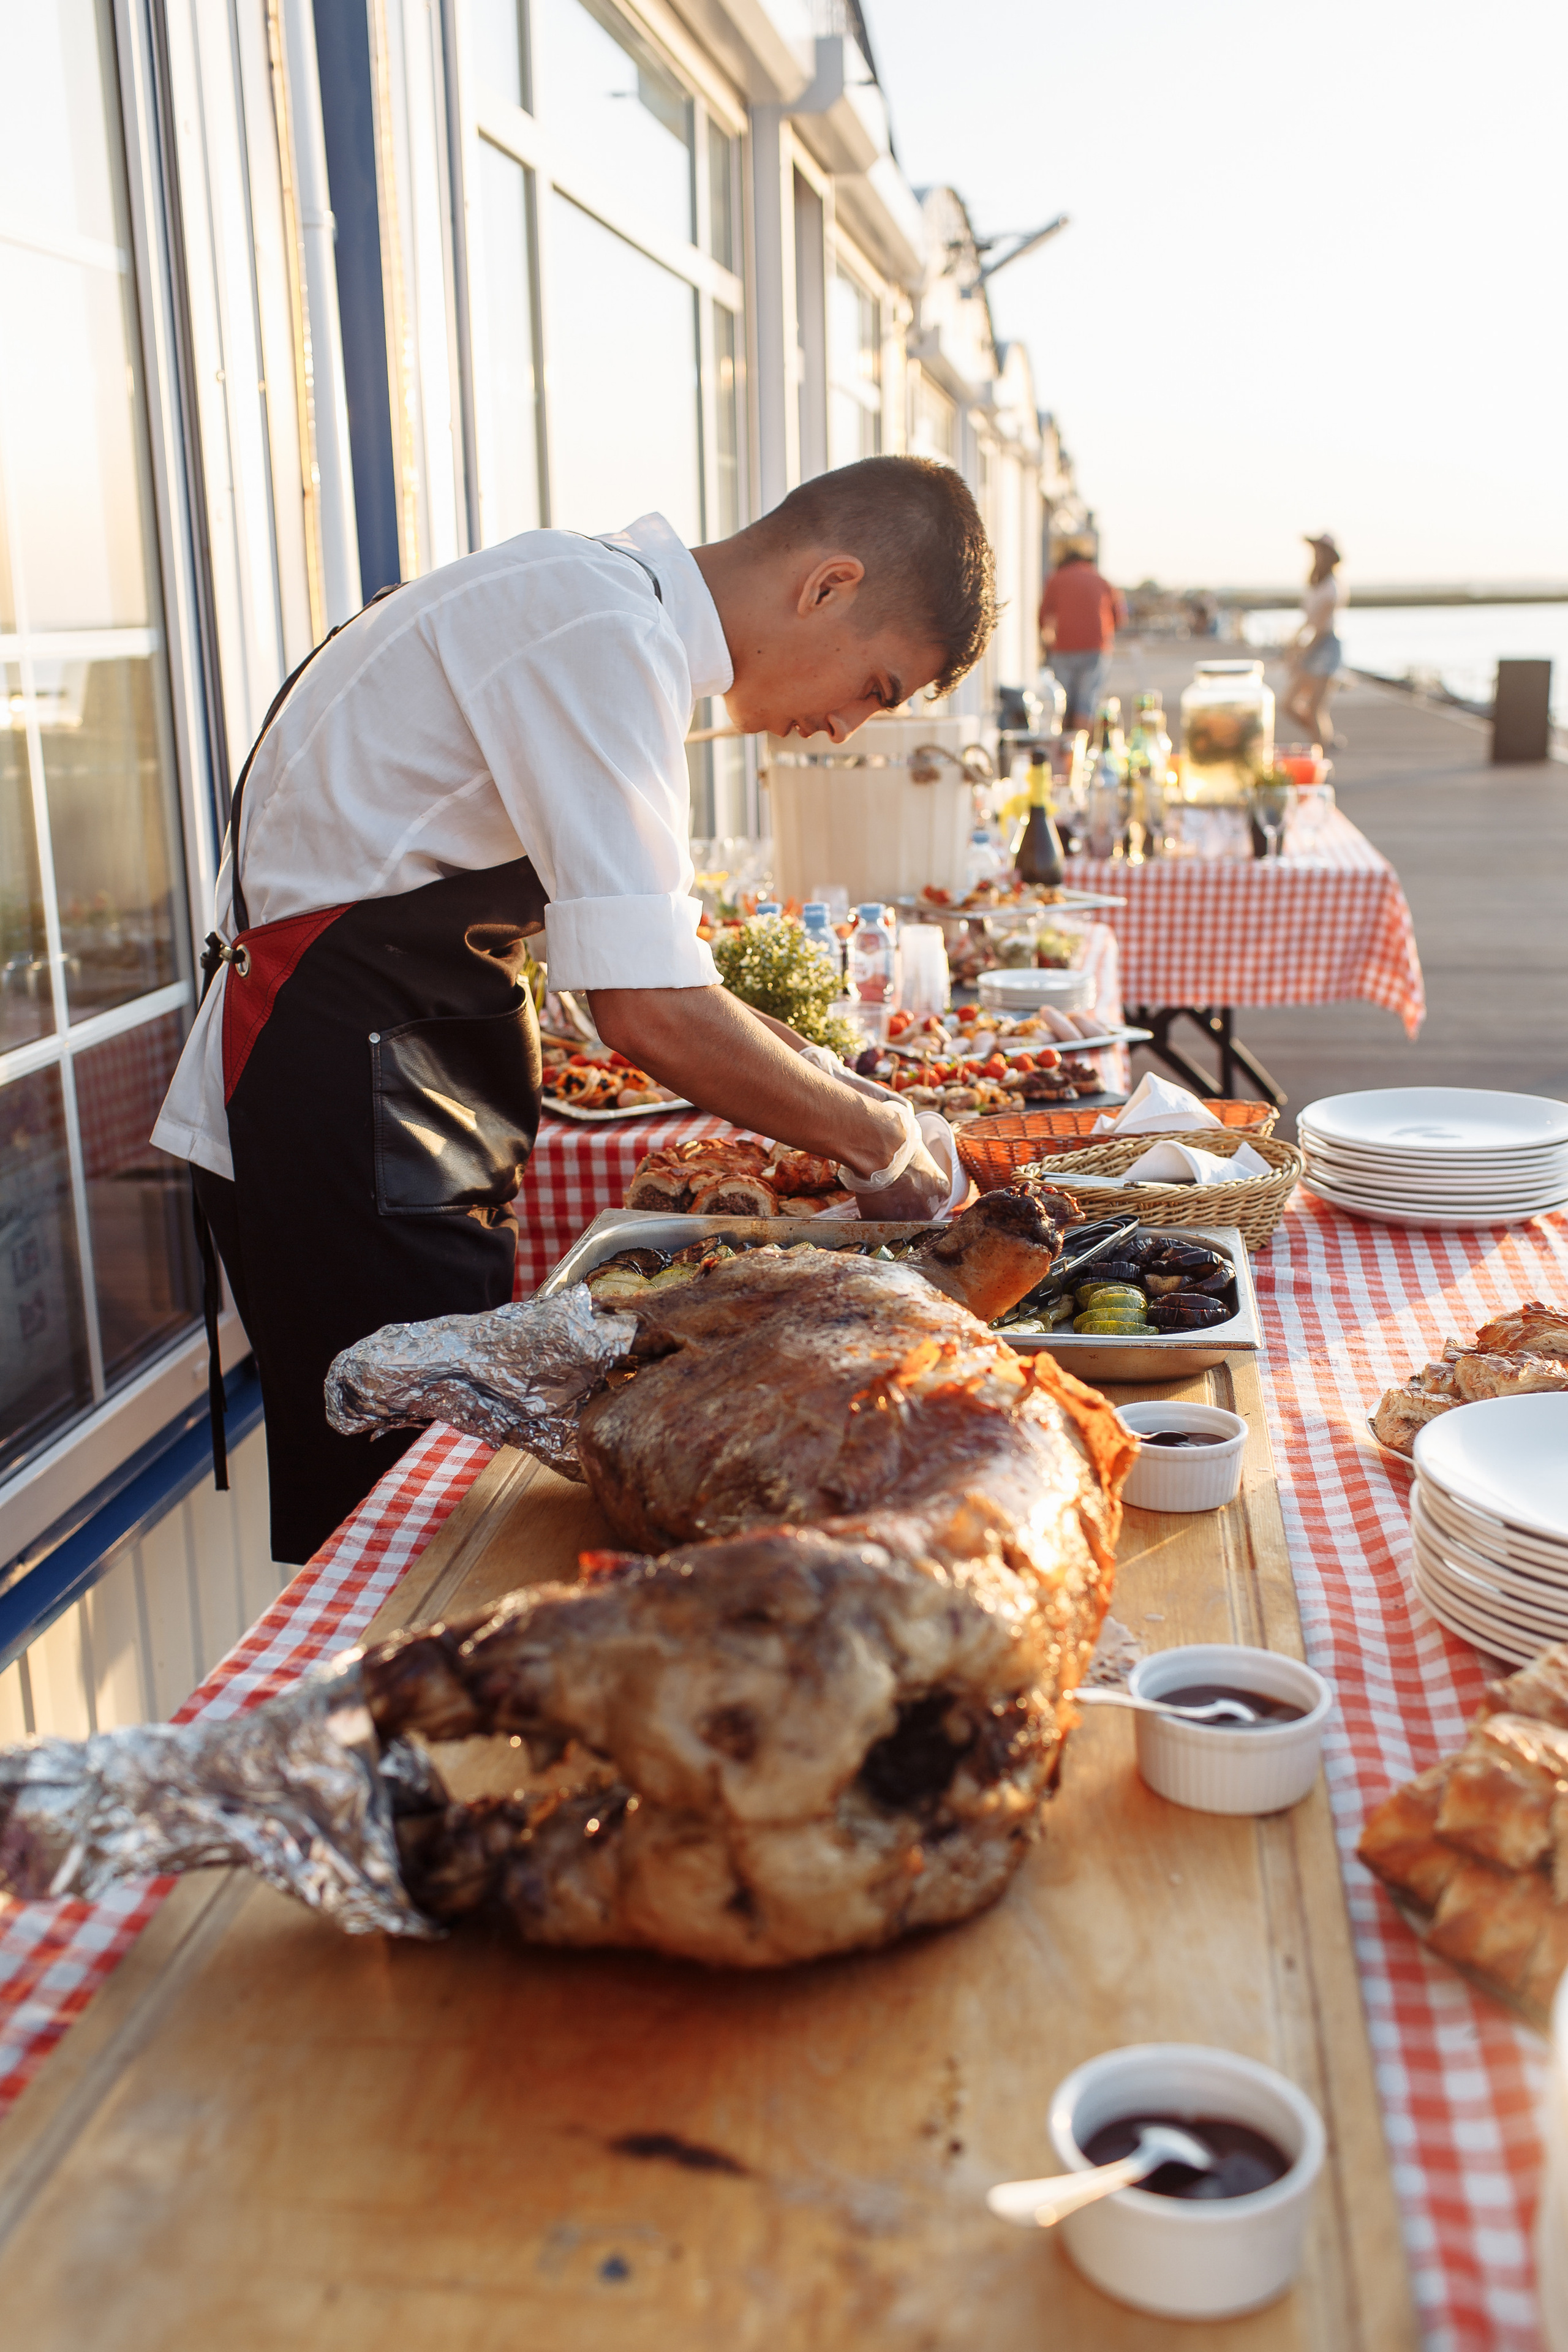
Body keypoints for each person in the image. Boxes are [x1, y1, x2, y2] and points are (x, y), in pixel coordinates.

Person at [154, 457, 997, 1562]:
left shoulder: (598, 606)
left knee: (428, 1517)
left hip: (389, 1097)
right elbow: (645, 1010)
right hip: (348, 1110)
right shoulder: (602, 634)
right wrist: (883, 1144)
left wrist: (859, 1098)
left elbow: (652, 963)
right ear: (828, 585)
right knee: (406, 1544)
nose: (846, 730)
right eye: (878, 688)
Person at [1038, 538, 1126, 730]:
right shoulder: (1102, 581)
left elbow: (1043, 616)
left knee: (1061, 704)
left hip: (1063, 649)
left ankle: (1062, 752)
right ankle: (1080, 750)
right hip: (1095, 649)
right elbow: (1120, 618)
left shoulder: (1057, 579)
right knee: (1086, 704)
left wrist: (1047, 643)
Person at [1284, 533, 1346, 749]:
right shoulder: (1316, 584)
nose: (1316, 556)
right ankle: (1324, 742)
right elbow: (1308, 622)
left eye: (1320, 552)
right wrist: (1292, 647)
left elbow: (1319, 628)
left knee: (1315, 708)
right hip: (1315, 644)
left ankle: (1322, 753)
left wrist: (1300, 653)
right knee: (1289, 705)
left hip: (1326, 646)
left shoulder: (1332, 588)